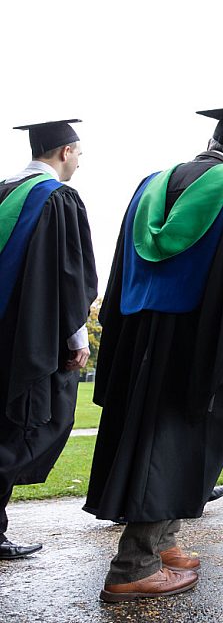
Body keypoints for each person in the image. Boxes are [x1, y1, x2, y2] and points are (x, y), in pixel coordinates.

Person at [84, 109, 223, 602]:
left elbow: (121, 267)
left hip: (141, 338)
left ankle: (166, 541)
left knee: (155, 433)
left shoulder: (152, 185)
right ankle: (134, 563)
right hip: (198, 341)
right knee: (175, 437)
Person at [1, 120, 96, 560]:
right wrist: (78, 337)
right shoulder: (56, 198)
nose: (78, 161)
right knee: (24, 429)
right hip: (30, 340)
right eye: (78, 152)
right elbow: (68, 277)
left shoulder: (4, 191)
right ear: (63, 152)